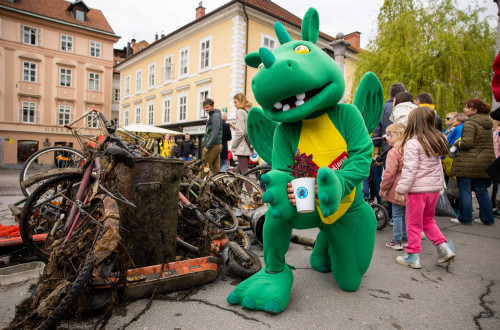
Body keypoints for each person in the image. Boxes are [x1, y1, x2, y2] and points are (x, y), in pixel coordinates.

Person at [394, 106, 455, 268]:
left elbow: (410, 169)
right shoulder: (438, 140)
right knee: (427, 220)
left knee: (413, 223)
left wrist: (401, 189)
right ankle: (444, 248)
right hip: (434, 190)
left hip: (417, 191)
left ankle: (413, 255)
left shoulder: (413, 143)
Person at [450, 99, 496, 225]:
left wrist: (457, 143)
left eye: (467, 107)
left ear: (474, 110)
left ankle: (465, 217)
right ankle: (487, 218)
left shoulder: (470, 124)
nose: (464, 110)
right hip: (483, 162)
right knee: (481, 190)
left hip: (469, 162)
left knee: (464, 189)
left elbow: (467, 143)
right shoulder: (487, 123)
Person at [370, 83, 406, 210]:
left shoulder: (383, 108)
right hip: (408, 151)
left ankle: (388, 210)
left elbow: (377, 132)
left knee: (388, 177)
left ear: (391, 95)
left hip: (388, 150)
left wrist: (377, 153)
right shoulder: (414, 109)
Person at [379, 123, 407, 250]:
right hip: (408, 187)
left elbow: (389, 173)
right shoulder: (409, 149)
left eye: (389, 135)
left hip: (397, 188)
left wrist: (383, 188)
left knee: (396, 215)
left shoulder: (394, 152)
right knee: (406, 215)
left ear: (398, 134)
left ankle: (397, 239)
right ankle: (406, 238)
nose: (387, 138)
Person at [231, 93, 254, 193]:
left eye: (235, 102)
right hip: (247, 146)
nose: (234, 104)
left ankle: (253, 198)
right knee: (239, 172)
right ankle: (236, 195)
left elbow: (241, 132)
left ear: (240, 101)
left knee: (244, 173)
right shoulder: (247, 111)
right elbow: (245, 129)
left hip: (242, 147)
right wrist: (236, 127)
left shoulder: (240, 111)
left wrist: (233, 145)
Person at [201, 98, 223, 177]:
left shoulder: (215, 115)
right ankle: (219, 185)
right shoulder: (214, 115)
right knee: (216, 168)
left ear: (212, 106)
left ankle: (198, 186)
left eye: (207, 107)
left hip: (214, 145)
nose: (205, 109)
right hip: (216, 145)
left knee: (204, 166)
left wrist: (208, 145)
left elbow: (215, 132)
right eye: (204, 107)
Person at [490, 107, 500, 214]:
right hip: (494, 160)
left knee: (497, 185)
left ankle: (496, 205)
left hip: (497, 160)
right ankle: (493, 204)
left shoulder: (499, 132)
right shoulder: (494, 131)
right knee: (495, 184)